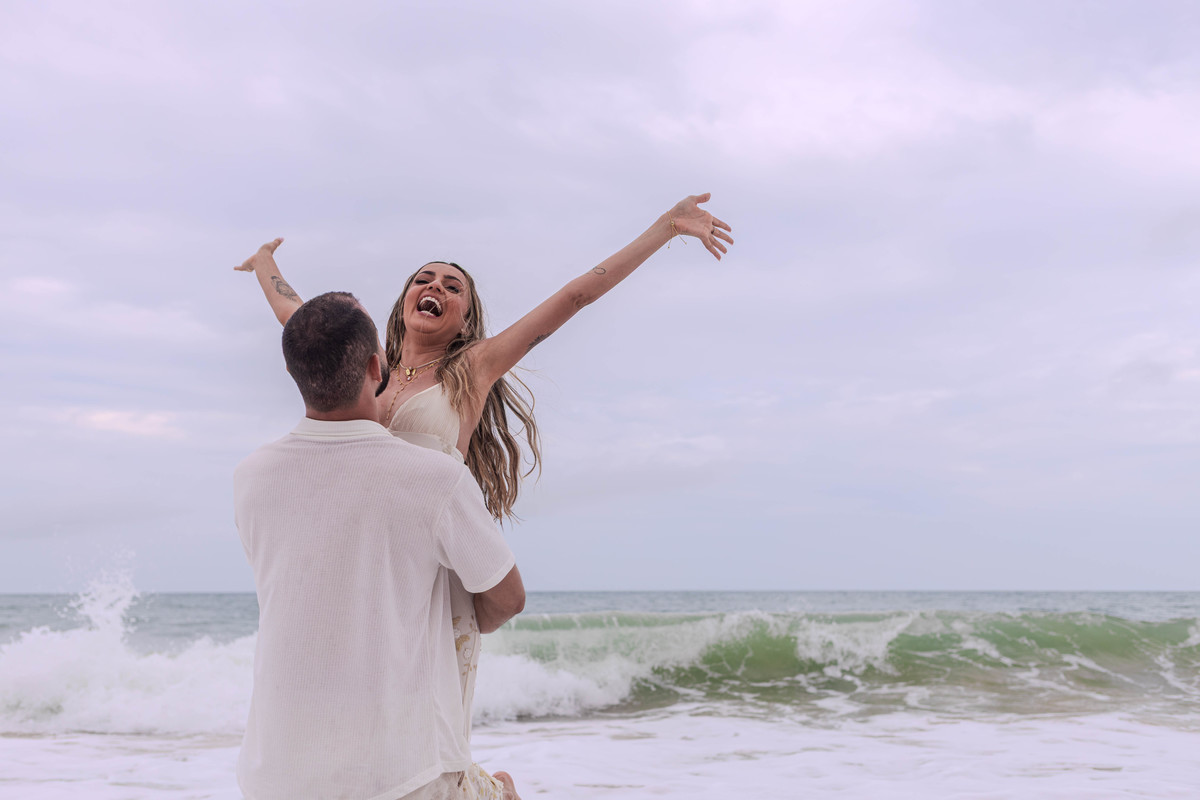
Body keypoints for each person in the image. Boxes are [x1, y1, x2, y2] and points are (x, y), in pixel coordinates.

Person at [236, 193, 732, 736]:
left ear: (465, 318)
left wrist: (666, 227)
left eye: (453, 288)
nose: (436, 288)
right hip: (371, 555)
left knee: (426, 726)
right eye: (424, 279)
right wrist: (265, 263)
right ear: (404, 302)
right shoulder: (368, 369)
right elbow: (299, 318)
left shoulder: (473, 368)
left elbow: (575, 296)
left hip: (436, 560)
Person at [234, 292, 524, 800]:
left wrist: (264, 266)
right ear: (376, 367)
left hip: (273, 775)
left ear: (293, 372)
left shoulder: (251, 476)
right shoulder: (435, 479)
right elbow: (507, 598)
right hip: (400, 775)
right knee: (500, 790)